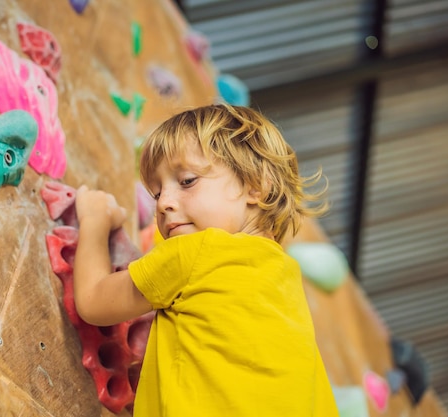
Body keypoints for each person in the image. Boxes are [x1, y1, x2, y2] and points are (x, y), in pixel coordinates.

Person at [73, 104, 339, 416]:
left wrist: (94, 221)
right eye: (157, 194)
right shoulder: (285, 279)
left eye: (186, 181)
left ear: (255, 184)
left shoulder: (198, 251)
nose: (165, 204)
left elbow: (93, 301)